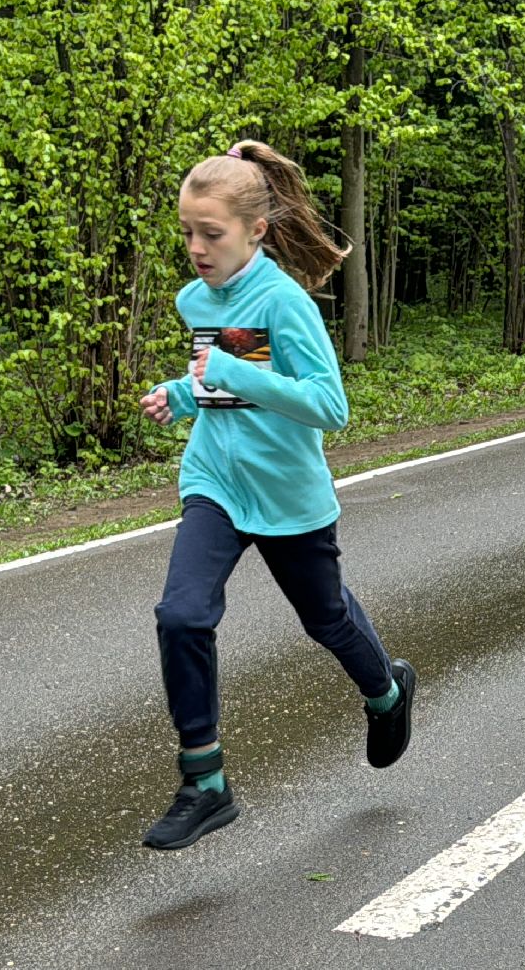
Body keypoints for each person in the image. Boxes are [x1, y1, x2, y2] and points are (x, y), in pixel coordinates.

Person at [137, 140, 416, 851]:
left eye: (211, 233)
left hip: (288, 493)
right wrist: (182, 393)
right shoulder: (194, 298)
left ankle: (386, 692)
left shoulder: (285, 302)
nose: (196, 248)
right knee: (181, 614)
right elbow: (223, 382)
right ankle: (204, 782)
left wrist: (225, 371)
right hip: (217, 483)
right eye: (187, 232)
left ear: (255, 231)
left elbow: (327, 406)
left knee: (326, 620)